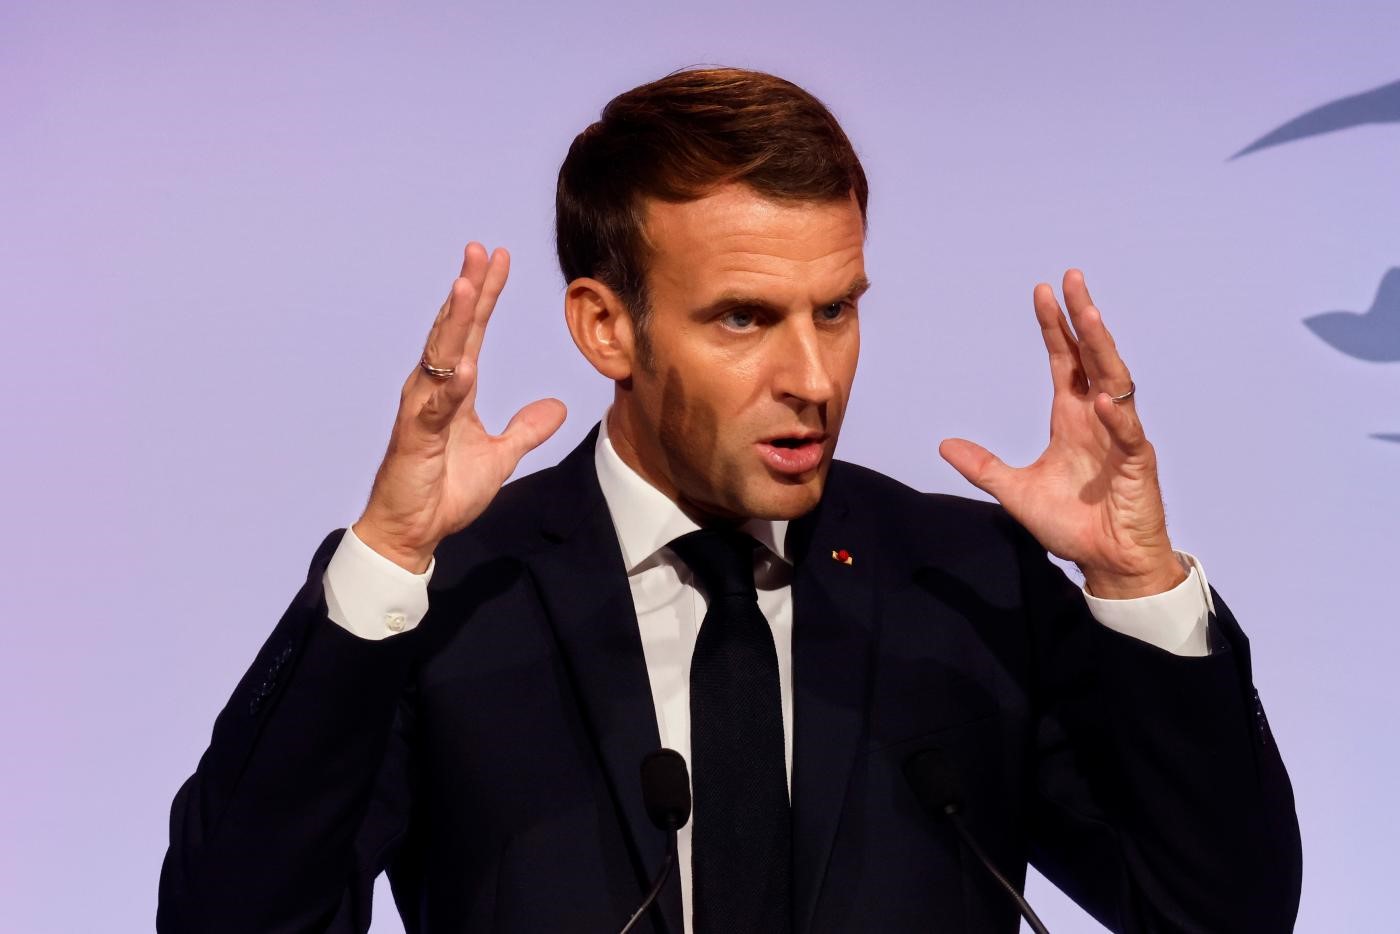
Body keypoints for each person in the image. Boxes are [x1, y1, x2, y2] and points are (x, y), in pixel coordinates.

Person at [158, 67, 1302, 933]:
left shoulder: (964, 579)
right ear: (607, 326)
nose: (811, 377)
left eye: (836, 309)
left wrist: (1136, 581)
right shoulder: (456, 593)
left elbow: (1221, 914)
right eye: (743, 318)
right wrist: (385, 556)